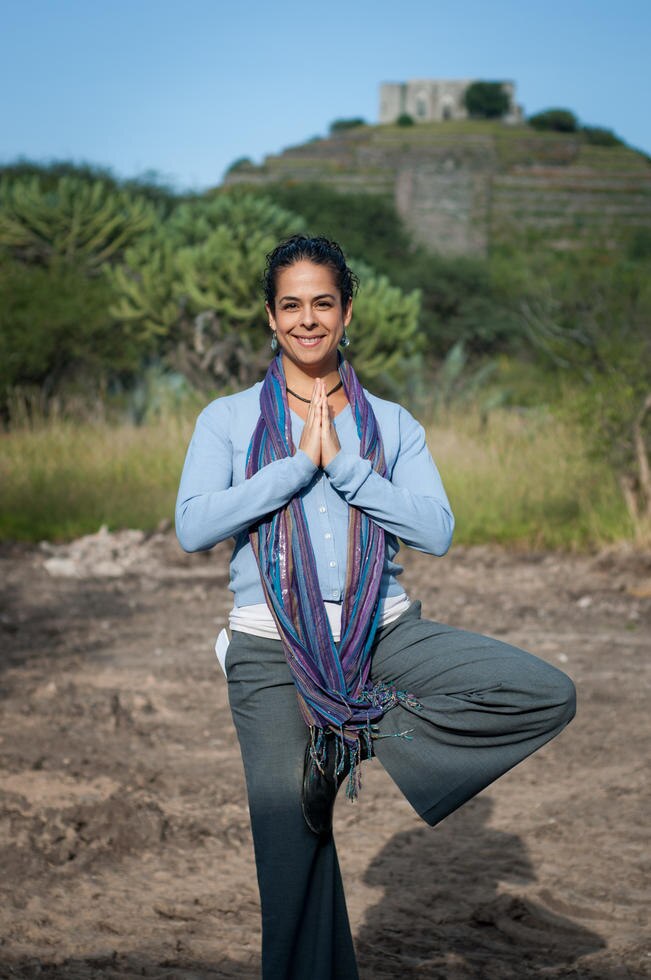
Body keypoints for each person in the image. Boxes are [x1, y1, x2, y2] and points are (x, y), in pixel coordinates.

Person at [175, 235, 576, 980]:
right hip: (270, 652)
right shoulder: (227, 420)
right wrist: (297, 466)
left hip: (382, 637)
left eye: (321, 303)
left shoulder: (389, 423)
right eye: (290, 304)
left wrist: (348, 469)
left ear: (346, 310)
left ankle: (353, 724)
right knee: (293, 857)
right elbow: (194, 527)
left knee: (541, 690)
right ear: (269, 317)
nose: (306, 319)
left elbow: (436, 530)